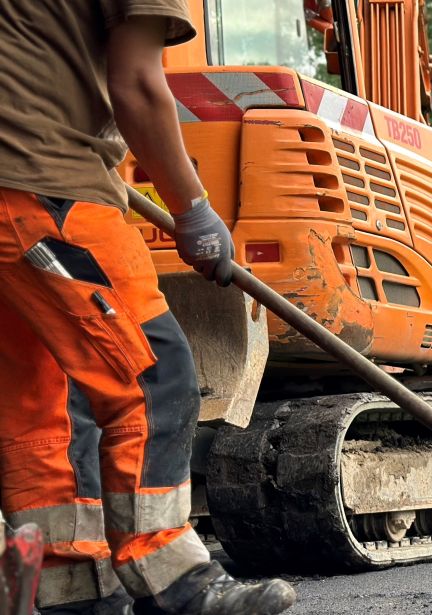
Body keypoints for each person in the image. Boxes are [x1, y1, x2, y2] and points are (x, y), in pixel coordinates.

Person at [0, 1, 296, 613]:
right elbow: (136, 82)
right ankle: (173, 581)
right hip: (45, 187)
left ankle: (70, 591)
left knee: (43, 410)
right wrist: (192, 208)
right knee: (149, 379)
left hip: (17, 198)